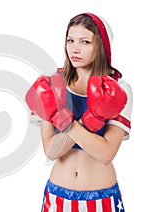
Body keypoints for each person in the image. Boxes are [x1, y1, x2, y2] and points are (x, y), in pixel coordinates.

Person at [25, 13, 132, 211]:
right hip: (58, 196)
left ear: (100, 46)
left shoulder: (118, 88)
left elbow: (107, 153)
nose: (75, 48)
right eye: (70, 40)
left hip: (102, 199)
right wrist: (86, 121)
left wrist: (65, 121)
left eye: (85, 42)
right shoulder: (51, 86)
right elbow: (51, 151)